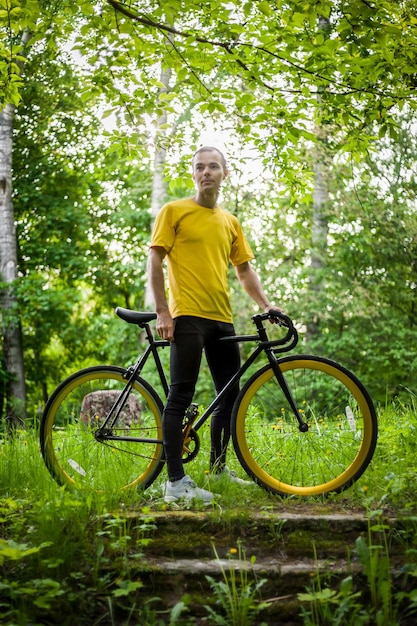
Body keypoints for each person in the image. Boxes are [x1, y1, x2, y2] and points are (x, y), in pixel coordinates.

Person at [147, 146, 277, 504]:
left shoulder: (230, 221)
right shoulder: (174, 211)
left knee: (229, 396)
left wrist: (266, 304)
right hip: (187, 315)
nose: (207, 172)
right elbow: (155, 260)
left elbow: (244, 270)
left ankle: (218, 469)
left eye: (214, 167)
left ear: (225, 173)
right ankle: (175, 484)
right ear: (193, 174)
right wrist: (162, 311)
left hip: (222, 319)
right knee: (180, 397)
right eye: (200, 167)